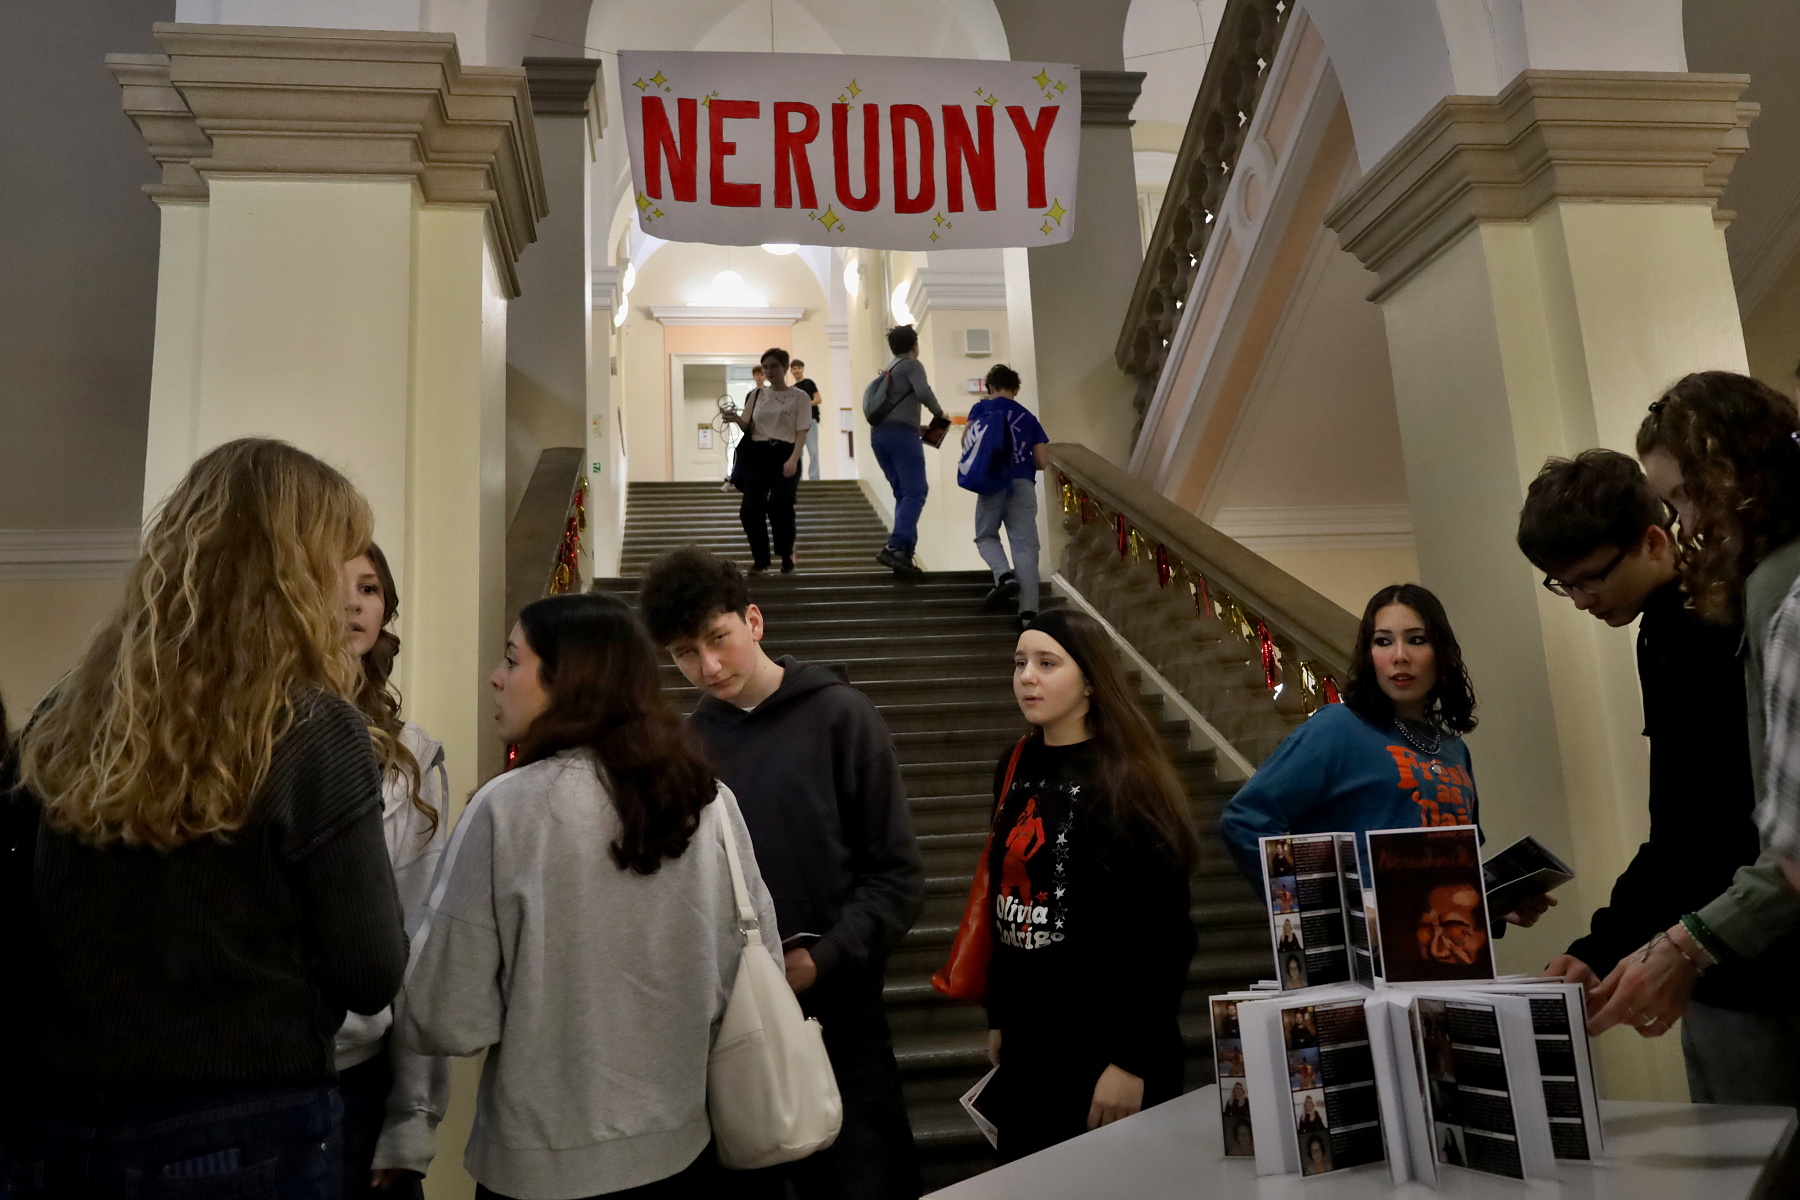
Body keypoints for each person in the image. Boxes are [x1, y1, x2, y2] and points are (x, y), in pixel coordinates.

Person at [13, 437, 407, 1198]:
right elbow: (371, 972)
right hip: (243, 1123)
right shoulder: (313, 727)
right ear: (295, 571)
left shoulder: (69, 708)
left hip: (58, 1119)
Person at [400, 592, 779, 1199]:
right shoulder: (707, 801)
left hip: (541, 1168)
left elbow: (446, 1016)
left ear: (568, 679)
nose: (495, 678)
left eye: (513, 660)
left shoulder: (506, 808)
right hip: (684, 1150)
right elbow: (760, 965)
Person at [637, 547, 925, 1199]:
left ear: (754, 621)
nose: (708, 667)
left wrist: (822, 959)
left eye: (718, 639)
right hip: (730, 1026)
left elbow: (899, 876)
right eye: (685, 653)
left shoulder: (842, 717)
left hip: (843, 1018)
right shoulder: (685, 749)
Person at [1516, 448, 1800, 1101]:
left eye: (1591, 579)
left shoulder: (1710, 626)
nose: (1581, 601)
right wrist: (1599, 947)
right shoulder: (1662, 628)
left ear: (1652, 540)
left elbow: (1709, 832)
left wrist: (1614, 945)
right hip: (1719, 956)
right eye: (1563, 585)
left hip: (1762, 965)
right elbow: (1678, 825)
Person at [1587, 373, 1800, 1089]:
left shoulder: (1777, 586)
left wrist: (1685, 946)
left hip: (1767, 971)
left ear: (1734, 475)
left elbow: (1781, 842)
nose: (1687, 526)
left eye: (1684, 497)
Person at [982, 609, 1200, 1164]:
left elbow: (1166, 934)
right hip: (1031, 1040)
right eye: (1020, 663)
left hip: (1107, 1044)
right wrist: (1000, 1015)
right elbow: (999, 895)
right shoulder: (1015, 764)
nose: (1027, 677)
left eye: (1047, 663)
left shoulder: (1129, 778)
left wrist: (1131, 1060)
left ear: (1090, 681)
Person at [1217, 584, 1554, 932]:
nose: (1400, 656)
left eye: (1417, 640)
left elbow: (1457, 868)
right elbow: (1245, 821)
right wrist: (1324, 910)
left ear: (1441, 653)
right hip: (1363, 954)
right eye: (1383, 641)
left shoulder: (1454, 749)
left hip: (1445, 949)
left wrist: (1496, 906)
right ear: (1369, 655)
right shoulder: (1337, 728)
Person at [337, 544, 452, 1199]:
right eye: (334, 585)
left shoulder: (411, 757)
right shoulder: (240, 734)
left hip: (361, 1078)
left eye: (370, 588)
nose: (353, 603)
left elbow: (420, 936)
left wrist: (413, 1117)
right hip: (249, 1075)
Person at [958, 364, 1050, 627]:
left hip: (992, 481)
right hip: (1023, 483)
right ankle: (1029, 614)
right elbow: (1042, 461)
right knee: (1025, 546)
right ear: (1016, 388)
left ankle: (1003, 576)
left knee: (985, 535)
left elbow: (966, 442)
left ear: (990, 386)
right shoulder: (1028, 417)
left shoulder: (982, 409)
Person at [870, 324, 947, 579]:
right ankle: (895, 546)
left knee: (904, 494)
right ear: (914, 345)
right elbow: (923, 391)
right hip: (902, 437)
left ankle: (904, 554)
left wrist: (915, 427)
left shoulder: (890, 369)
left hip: (880, 437)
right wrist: (939, 413)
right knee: (916, 491)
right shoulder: (912, 365)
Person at [724, 348, 810, 574]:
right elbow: (747, 425)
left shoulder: (800, 397)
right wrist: (734, 418)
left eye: (774, 366)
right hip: (758, 454)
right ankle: (760, 560)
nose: (769, 371)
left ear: (785, 367)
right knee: (750, 509)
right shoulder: (757, 395)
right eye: (765, 367)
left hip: (786, 452)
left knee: (780, 504)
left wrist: (794, 459)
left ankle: (786, 552)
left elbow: (802, 431)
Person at [790, 357, 823, 481]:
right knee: (798, 452)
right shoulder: (792, 389)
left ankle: (814, 478)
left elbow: (818, 399)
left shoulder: (809, 383)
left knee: (813, 451)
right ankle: (798, 478)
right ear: (791, 371)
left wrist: (805, 404)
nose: (797, 371)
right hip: (797, 423)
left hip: (810, 420)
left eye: (799, 368)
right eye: (794, 368)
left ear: (803, 369)